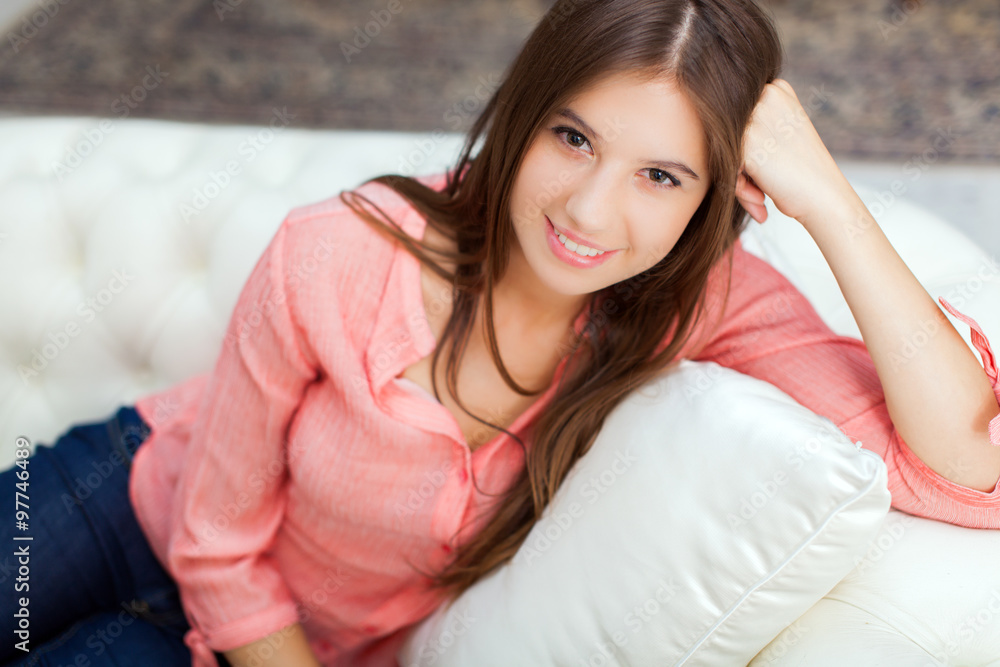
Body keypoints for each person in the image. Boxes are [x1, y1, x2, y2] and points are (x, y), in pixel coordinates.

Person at [4, 0, 1000, 665]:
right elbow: (217, 543)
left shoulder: (695, 303)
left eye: (661, 176)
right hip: (129, 500)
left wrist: (825, 196)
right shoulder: (338, 252)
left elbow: (967, 465)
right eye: (573, 138)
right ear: (522, 117)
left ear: (710, 198)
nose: (590, 213)